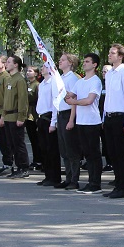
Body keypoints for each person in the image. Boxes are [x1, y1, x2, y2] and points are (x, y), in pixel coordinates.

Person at [101, 43, 124, 197]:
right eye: (109, 52)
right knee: (112, 153)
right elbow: (108, 98)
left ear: (121, 56)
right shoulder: (109, 74)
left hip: (120, 118)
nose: (110, 55)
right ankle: (117, 184)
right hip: (109, 117)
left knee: (121, 154)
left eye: (113, 53)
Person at [71, 52, 105, 192]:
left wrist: (75, 101)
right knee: (86, 153)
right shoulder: (80, 82)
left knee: (93, 154)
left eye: (87, 61)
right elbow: (71, 95)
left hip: (92, 121)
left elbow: (89, 100)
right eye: (84, 61)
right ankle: (91, 181)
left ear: (94, 65)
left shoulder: (95, 81)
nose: (84, 63)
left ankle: (95, 183)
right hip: (81, 121)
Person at [0, 55, 31, 178]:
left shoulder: (19, 80)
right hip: (8, 116)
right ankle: (17, 167)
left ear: (16, 64)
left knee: (19, 144)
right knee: (11, 144)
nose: (7, 64)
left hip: (16, 115)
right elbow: (6, 100)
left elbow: (23, 100)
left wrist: (21, 117)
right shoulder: (10, 79)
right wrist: (3, 115)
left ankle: (24, 167)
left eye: (9, 62)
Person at [55, 53, 81, 189]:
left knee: (72, 149)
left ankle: (74, 180)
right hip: (60, 114)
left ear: (70, 63)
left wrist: (71, 120)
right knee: (64, 149)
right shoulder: (60, 78)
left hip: (68, 114)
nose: (60, 61)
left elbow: (74, 102)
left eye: (63, 59)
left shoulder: (72, 79)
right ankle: (68, 177)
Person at [35, 65, 62, 186]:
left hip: (49, 117)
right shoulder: (41, 84)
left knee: (52, 149)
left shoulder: (53, 83)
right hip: (41, 117)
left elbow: (55, 103)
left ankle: (54, 176)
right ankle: (47, 175)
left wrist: (53, 122)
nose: (42, 69)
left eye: (45, 67)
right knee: (43, 148)